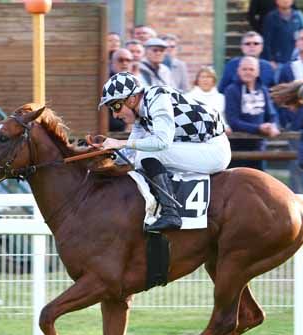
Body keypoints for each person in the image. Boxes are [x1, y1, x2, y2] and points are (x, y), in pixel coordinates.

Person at [96, 72, 230, 232]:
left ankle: (171, 213)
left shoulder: (157, 98)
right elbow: (130, 152)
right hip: (200, 147)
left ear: (131, 99)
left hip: (214, 150)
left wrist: (119, 143)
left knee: (147, 154)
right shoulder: (141, 114)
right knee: (140, 155)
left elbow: (161, 142)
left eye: (116, 106)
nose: (115, 114)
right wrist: (105, 156)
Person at [224, 56, 279, 171]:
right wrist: (258, 128)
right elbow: (233, 121)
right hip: (237, 146)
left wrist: (272, 125)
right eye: (244, 69)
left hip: (259, 146)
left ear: (257, 72)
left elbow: (271, 114)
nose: (247, 72)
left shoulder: (263, 90)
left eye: (251, 69)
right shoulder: (231, 90)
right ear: (238, 71)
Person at [260, 0, 303, 68]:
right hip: (277, 62)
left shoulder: (298, 16)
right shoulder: (271, 17)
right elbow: (266, 40)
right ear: (276, 1)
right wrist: (270, 60)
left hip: (297, 61)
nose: (285, 1)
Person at [186, 66, 228, 132]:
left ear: (213, 80)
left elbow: (224, 119)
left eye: (209, 77)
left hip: (218, 133)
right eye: (203, 77)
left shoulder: (221, 98)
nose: (205, 80)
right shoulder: (188, 97)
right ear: (197, 80)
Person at [108, 49, 134, 132]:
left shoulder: (135, 83)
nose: (125, 63)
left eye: (128, 60)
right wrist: (126, 126)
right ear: (111, 63)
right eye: (120, 60)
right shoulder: (106, 84)